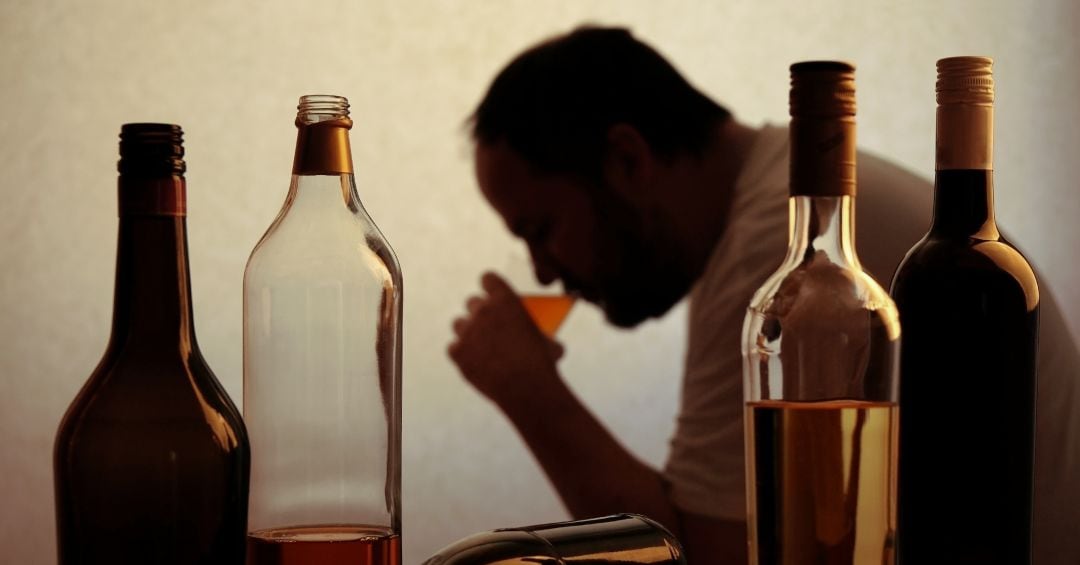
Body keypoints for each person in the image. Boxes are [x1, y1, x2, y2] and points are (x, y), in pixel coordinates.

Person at [447, 26, 1080, 564]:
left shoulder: (776, 251)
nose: (544, 271)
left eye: (541, 230)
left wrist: (530, 392)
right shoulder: (754, 220)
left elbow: (700, 555)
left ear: (628, 159)